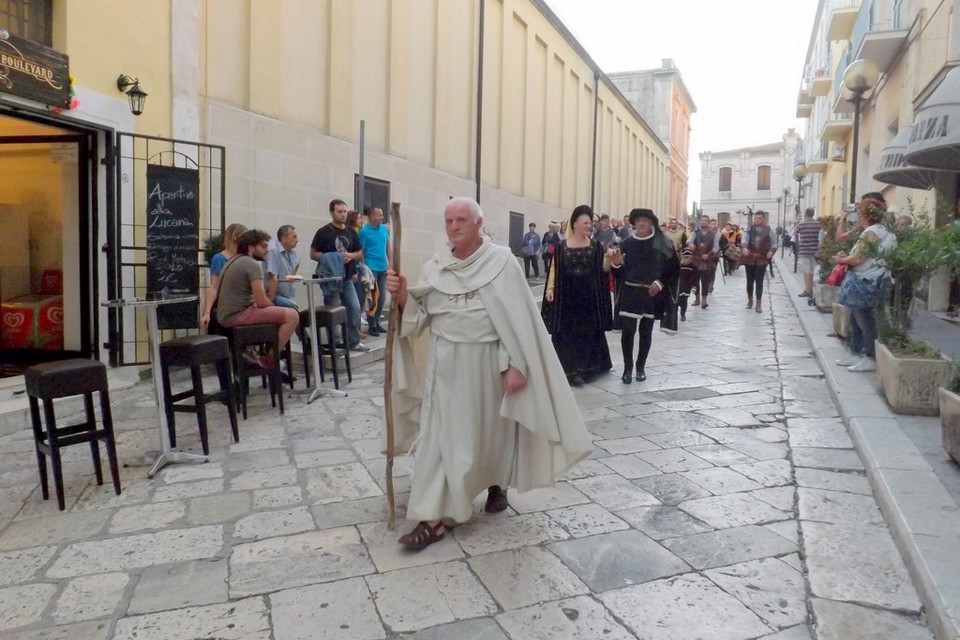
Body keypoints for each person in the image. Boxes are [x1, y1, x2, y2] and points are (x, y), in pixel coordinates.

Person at [386, 197, 593, 552]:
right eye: (448, 220)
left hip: (488, 366)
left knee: (490, 434)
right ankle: (433, 519)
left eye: (461, 220)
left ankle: (498, 483)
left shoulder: (502, 263)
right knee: (441, 439)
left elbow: (517, 322)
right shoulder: (435, 268)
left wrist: (516, 364)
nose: (453, 227)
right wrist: (403, 295)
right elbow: (418, 320)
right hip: (445, 366)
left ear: (479, 223)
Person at [203, 229, 300, 365]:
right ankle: (268, 361)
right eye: (264, 246)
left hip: (225, 316)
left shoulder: (233, 260)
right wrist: (273, 306)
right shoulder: (251, 264)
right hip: (236, 315)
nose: (267, 250)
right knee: (293, 315)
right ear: (251, 247)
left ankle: (252, 352)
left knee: (279, 313)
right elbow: (262, 302)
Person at [542, 205, 613, 385]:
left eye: (591, 223)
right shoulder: (561, 246)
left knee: (587, 334)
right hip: (567, 298)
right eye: (586, 223)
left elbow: (602, 271)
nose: (589, 226)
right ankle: (569, 369)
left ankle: (584, 370)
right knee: (566, 334)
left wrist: (610, 260)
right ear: (574, 224)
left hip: (589, 300)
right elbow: (554, 269)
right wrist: (550, 290)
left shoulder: (596, 246)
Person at [609, 209, 679, 384]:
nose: (641, 223)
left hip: (651, 293)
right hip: (630, 293)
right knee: (628, 332)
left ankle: (641, 368)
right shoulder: (626, 243)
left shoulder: (662, 243)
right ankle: (627, 369)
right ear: (634, 223)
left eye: (645, 221)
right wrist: (616, 265)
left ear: (651, 224)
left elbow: (673, 269)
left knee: (646, 331)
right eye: (638, 220)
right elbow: (617, 273)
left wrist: (659, 283)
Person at [834, 197, 896, 372]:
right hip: (870, 278)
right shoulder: (879, 230)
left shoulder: (873, 232)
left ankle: (869, 356)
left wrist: (842, 259)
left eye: (860, 212)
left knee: (865, 320)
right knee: (855, 317)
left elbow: (859, 258)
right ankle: (855, 352)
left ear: (865, 214)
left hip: (867, 280)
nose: (858, 215)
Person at [310, 199, 368, 352]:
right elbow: (313, 254)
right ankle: (335, 343)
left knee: (354, 308)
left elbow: (360, 252)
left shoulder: (350, 231)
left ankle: (353, 341)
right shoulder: (323, 232)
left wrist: (351, 256)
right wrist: (330, 258)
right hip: (330, 278)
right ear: (331, 212)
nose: (342, 214)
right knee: (333, 311)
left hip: (347, 277)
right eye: (339, 211)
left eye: (344, 211)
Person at [202, 222, 247, 323]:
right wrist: (207, 312)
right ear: (235, 237)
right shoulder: (219, 259)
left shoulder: (244, 257)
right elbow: (214, 286)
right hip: (227, 304)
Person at [358, 205, 390, 336]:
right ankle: (371, 324)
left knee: (382, 296)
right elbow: (361, 251)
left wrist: (390, 262)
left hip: (383, 267)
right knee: (373, 298)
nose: (382, 217)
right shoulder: (364, 232)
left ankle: (377, 321)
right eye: (379, 215)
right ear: (371, 217)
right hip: (371, 268)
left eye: (382, 214)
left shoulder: (384, 229)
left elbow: (388, 246)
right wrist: (365, 268)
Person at [740, 211, 777, 313]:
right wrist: (743, 248)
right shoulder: (749, 229)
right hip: (750, 259)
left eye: (759, 218)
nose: (757, 220)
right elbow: (744, 240)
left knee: (759, 281)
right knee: (749, 281)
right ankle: (750, 300)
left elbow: (774, 243)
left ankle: (758, 304)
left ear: (763, 219)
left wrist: (771, 251)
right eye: (755, 218)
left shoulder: (768, 230)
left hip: (761, 259)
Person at [686, 214, 720, 309]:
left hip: (706, 260)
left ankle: (704, 299)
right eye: (702, 220)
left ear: (708, 222)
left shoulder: (713, 234)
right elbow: (688, 241)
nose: (703, 222)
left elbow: (716, 247)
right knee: (695, 281)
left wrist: (708, 254)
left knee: (705, 281)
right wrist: (690, 244)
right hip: (696, 260)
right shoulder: (695, 233)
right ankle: (697, 298)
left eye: (705, 220)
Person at [264, 225, 301, 310]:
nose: (297, 240)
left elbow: (293, 274)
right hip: (274, 295)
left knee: (294, 308)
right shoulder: (273, 250)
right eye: (294, 237)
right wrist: (270, 303)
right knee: (294, 308)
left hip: (289, 295)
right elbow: (272, 278)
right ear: (284, 238)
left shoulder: (294, 253)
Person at [794, 208, 822, 302]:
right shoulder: (818, 224)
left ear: (805, 214)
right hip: (815, 251)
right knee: (813, 271)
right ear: (813, 214)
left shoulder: (801, 224)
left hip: (804, 250)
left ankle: (808, 290)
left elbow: (795, 233)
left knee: (806, 271)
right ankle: (812, 290)